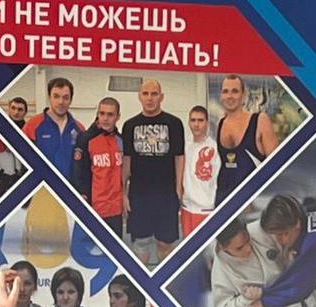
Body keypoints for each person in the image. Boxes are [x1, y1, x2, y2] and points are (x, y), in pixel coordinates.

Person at [121, 79, 183, 266]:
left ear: (161, 97)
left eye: (154, 94)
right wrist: (123, 193)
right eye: (146, 94)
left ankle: (165, 279)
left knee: (165, 243)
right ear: (139, 97)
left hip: (166, 194)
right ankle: (142, 280)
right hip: (139, 194)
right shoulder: (129, 125)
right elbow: (126, 160)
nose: (150, 98)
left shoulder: (174, 123)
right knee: (141, 243)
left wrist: (178, 188)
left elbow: (179, 157)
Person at [214, 74, 276, 205]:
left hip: (252, 202)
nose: (229, 96)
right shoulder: (220, 123)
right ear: (221, 96)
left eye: (234, 91)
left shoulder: (260, 120)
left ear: (243, 95)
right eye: (225, 91)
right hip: (223, 200)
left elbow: (276, 167)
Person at [71, 98, 124, 235]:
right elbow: (78, 171)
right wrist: (82, 195)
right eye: (102, 113)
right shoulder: (86, 138)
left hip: (116, 209)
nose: (105, 118)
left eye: (110, 114)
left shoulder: (121, 140)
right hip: (94, 208)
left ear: (118, 117)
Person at [23, 77, 84, 178]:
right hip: (43, 185)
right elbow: (23, 159)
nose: (61, 102)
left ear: (71, 100)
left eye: (65, 97)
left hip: (70, 185)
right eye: (56, 96)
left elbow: (83, 164)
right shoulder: (32, 125)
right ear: (49, 97)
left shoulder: (80, 129)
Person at [178, 105, 219, 238]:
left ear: (207, 123)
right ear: (189, 122)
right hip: (186, 208)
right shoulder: (184, 146)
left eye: (200, 120)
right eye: (193, 120)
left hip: (205, 210)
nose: (196, 124)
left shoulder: (215, 148)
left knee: (205, 248)